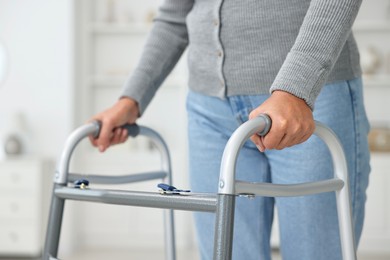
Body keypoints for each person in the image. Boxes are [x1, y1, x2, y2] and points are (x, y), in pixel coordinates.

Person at [89, 1, 371, 259]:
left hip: (307, 100)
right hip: (210, 110)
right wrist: (131, 98)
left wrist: (296, 87)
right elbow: (176, 15)